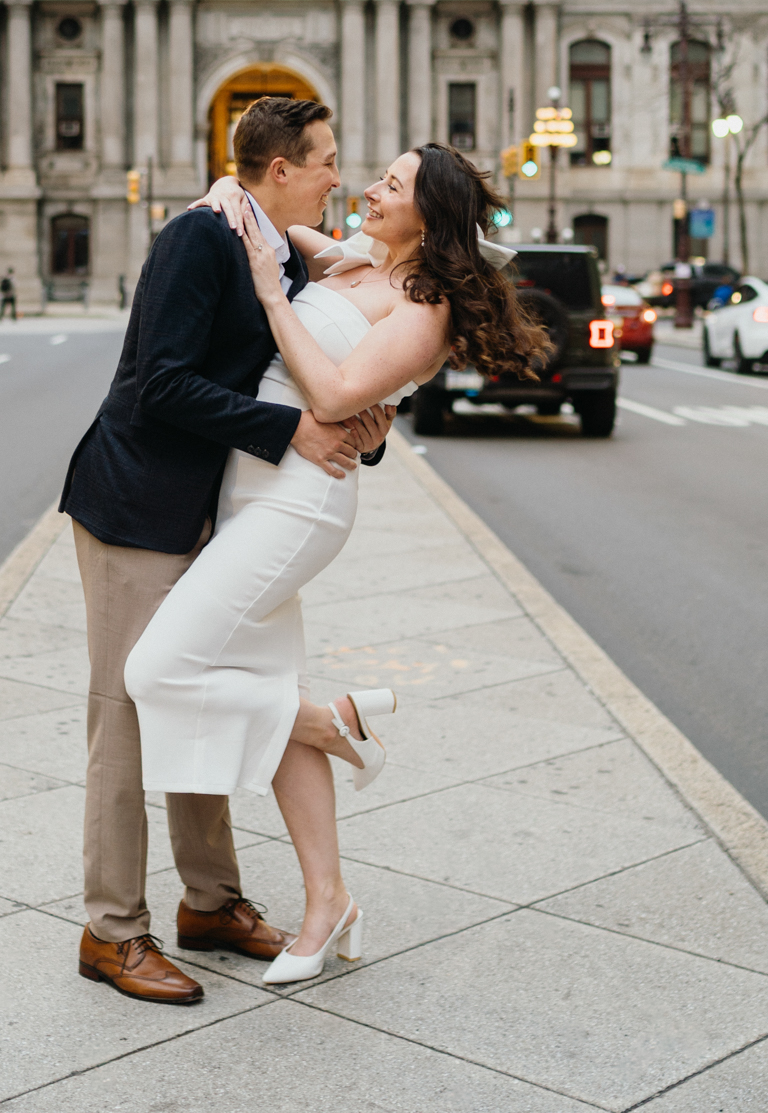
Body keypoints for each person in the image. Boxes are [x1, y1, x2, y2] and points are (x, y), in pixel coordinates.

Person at [125, 140, 546, 984]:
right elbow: (257, 213)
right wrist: (225, 189)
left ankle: (330, 720)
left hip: (298, 501)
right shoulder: (352, 257)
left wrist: (269, 295)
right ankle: (329, 900)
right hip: (249, 489)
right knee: (265, 701)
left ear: (431, 214)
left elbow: (333, 397)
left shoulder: (423, 306)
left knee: (154, 670)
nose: (369, 188)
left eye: (391, 184)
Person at [61, 98, 395, 1005]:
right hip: (134, 505)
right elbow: (158, 382)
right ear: (279, 169)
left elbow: (311, 369)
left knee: (194, 694)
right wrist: (289, 433)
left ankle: (209, 903)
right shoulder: (198, 239)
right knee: (127, 714)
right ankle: (111, 930)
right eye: (324, 159)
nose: (338, 174)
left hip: (211, 510)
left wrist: (361, 424)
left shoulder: (280, 249)